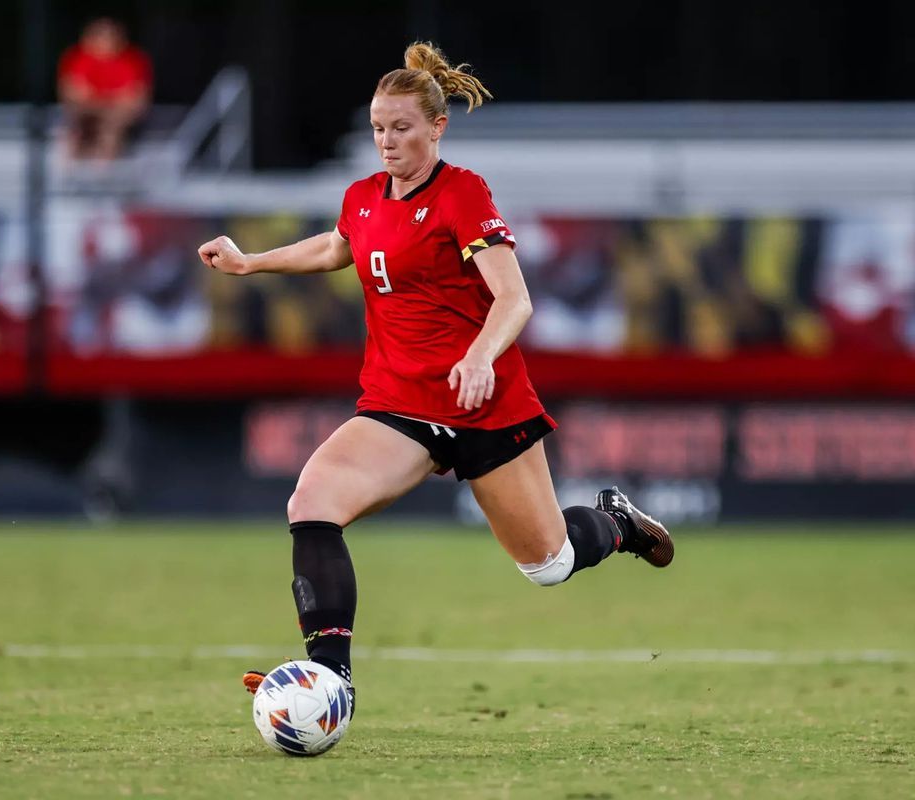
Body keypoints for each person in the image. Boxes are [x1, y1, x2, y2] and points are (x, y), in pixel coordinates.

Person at [197, 42, 673, 719]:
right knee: (312, 502)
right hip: (400, 403)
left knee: (549, 563)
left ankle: (616, 524)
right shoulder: (362, 197)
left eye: (401, 128)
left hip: (485, 403)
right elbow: (339, 245)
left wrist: (480, 356)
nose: (386, 141)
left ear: (436, 127)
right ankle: (332, 681)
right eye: (378, 128)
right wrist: (252, 263)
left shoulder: (462, 192)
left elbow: (515, 299)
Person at [56, 18, 153, 161]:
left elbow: (135, 97)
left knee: (110, 128)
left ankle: (104, 170)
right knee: (73, 128)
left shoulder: (133, 60)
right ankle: (69, 169)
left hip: (116, 114)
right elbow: (73, 92)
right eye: (100, 36)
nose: (105, 41)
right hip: (88, 110)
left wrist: (100, 101)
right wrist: (105, 100)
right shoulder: (77, 58)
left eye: (110, 36)